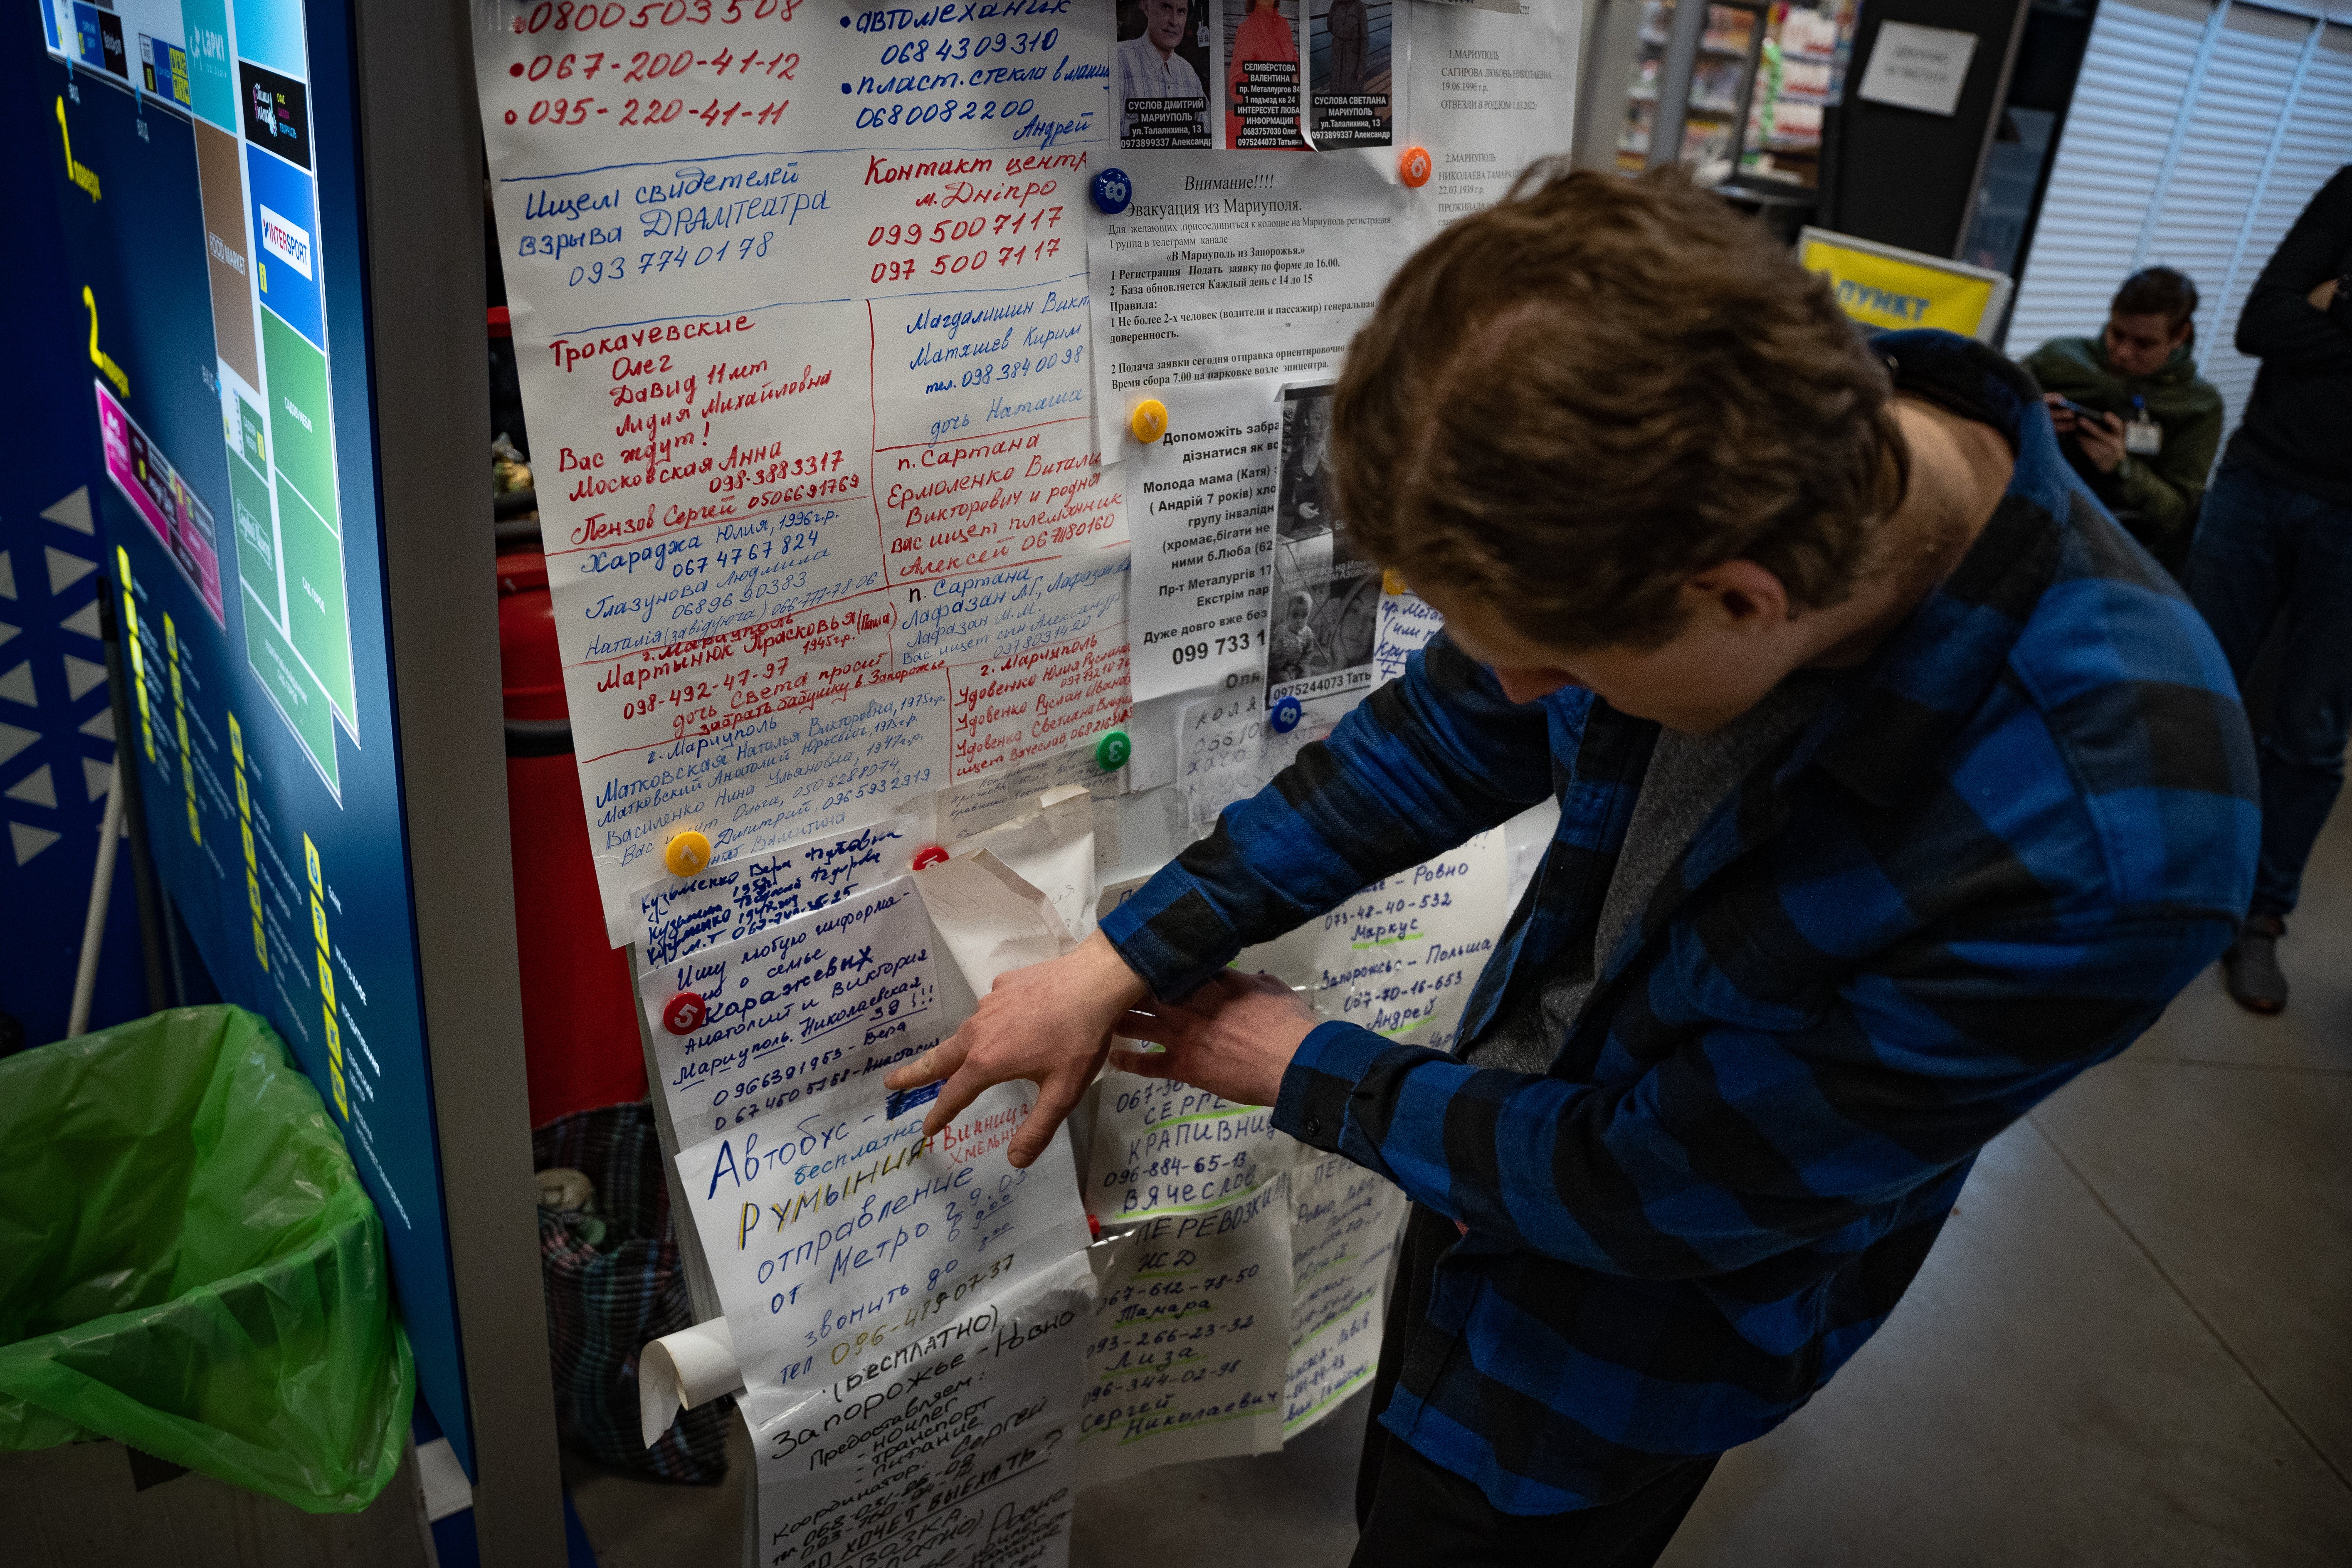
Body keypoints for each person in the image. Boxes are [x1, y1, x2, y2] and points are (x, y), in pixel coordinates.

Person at [887, 166, 2256, 1565]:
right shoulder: (1683, 455)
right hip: (1476, 1159)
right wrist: (1121, 955)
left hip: (1628, 1338)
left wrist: (1293, 1062)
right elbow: (1428, 744)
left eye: (1561, 666)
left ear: (1741, 599)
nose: (1514, 691)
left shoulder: (2107, 849)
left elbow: (1644, 1184)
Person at [2185, 164, 2352, 1015]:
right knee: (2185, 687)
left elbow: (2299, 318)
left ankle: (2257, 918)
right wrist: (2311, 307)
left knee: (2308, 734)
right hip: (2257, 479)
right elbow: (2259, 322)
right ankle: (2153, 876)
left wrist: (2334, 302)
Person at [2021, 266, 2222, 576]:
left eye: (2144, 344)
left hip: (2112, 545)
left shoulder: (2196, 405)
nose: (2122, 353)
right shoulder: (2059, 358)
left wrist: (2121, 468)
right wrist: (2025, 414)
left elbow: (2176, 515)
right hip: (2028, 506)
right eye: (2116, 334)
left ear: (2180, 336)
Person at [1119, 0, 1206, 143]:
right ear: (1146, 7)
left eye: (1181, 11)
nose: (1174, 21)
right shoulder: (1120, 60)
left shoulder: (1189, 74)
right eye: (1166, 7)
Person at [1227, 0, 1299, 149]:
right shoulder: (1246, 30)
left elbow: (1293, 57)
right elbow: (1237, 85)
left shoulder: (1284, 24)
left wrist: (1294, 74)